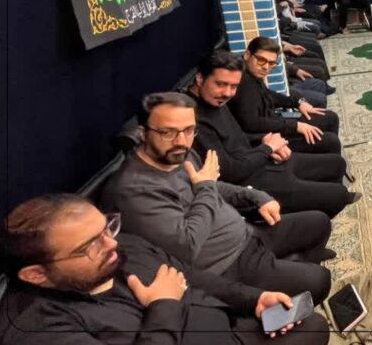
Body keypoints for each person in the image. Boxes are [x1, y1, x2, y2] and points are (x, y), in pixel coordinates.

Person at [0, 194, 330, 345]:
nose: (111, 244)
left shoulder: (119, 246)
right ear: (36, 274)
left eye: (107, 228)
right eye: (89, 246)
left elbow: (191, 275)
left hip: (220, 322)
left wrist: (253, 299)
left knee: (311, 323)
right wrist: (163, 305)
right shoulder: (33, 332)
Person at [103, 93, 336, 289]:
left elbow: (210, 185)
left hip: (246, 232)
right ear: (143, 133)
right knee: (319, 280)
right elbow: (187, 246)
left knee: (319, 222)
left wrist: (256, 197)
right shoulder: (134, 190)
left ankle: (294, 267)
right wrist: (206, 187)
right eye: (167, 132)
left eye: (189, 130)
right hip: (227, 263)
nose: (181, 141)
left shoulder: (178, 153)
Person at [187, 51, 357, 218]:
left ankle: (314, 206)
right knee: (337, 196)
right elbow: (230, 172)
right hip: (251, 182)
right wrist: (266, 148)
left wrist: (265, 141)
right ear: (200, 78)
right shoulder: (190, 119)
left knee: (336, 164)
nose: (228, 93)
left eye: (234, 87)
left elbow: (239, 137)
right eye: (221, 84)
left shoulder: (215, 100)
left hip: (260, 160)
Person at [231, 36, 342, 156]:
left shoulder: (252, 74)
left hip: (274, 122)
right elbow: (252, 123)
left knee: (330, 118)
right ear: (247, 55)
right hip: (265, 138)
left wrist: (298, 102)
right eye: (261, 60)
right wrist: (296, 126)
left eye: (271, 63)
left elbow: (268, 95)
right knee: (331, 141)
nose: (266, 67)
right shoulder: (241, 81)